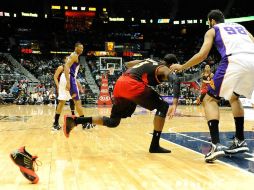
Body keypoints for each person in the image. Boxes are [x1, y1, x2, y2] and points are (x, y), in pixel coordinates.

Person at [170, 9, 254, 162]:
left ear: (212, 21)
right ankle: (240, 140)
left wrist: (182, 66)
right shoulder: (241, 28)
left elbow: (202, 55)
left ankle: (216, 145)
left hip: (234, 60)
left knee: (208, 100)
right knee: (234, 97)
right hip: (252, 61)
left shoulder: (213, 30)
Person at [63, 54, 181, 153]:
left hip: (120, 83)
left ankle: (75, 120)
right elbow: (176, 79)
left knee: (113, 122)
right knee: (163, 106)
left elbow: (128, 64)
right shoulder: (164, 68)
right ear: (171, 65)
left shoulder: (149, 61)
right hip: (132, 85)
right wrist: (174, 104)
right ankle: (154, 145)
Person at [64, 42, 95, 130]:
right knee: (78, 102)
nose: (81, 49)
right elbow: (66, 66)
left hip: (72, 79)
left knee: (76, 102)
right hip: (71, 80)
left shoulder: (73, 55)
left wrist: (78, 84)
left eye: (82, 48)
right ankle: (84, 123)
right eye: (80, 48)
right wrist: (68, 81)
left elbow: (72, 72)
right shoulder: (74, 55)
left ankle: (80, 121)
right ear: (75, 47)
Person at [52, 56, 76, 130]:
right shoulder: (61, 67)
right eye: (68, 58)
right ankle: (55, 122)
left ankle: (73, 117)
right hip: (62, 87)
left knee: (73, 100)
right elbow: (55, 77)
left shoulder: (72, 69)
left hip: (70, 86)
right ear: (65, 60)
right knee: (61, 103)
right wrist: (58, 85)